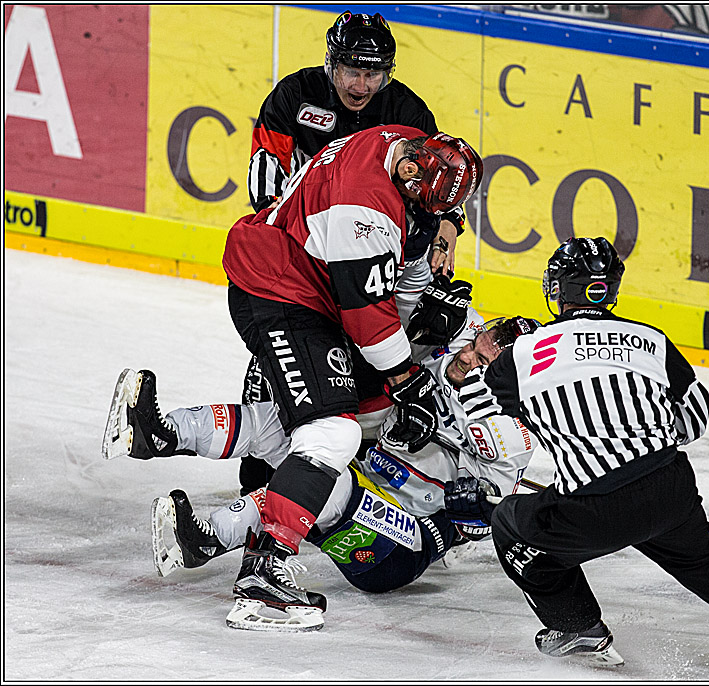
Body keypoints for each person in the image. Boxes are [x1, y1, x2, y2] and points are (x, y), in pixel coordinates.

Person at [445, 237, 709, 670]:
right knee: (703, 558)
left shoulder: (519, 356)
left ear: (558, 290)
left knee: (509, 523)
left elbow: (498, 432)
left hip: (593, 507)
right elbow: (694, 419)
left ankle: (577, 628)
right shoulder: (651, 340)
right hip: (669, 485)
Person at [104, 308, 539, 631]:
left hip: (404, 543)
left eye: (482, 361)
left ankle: (212, 540)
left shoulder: (507, 429)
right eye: (477, 343)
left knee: (319, 487)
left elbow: (496, 516)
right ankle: (161, 436)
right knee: (287, 429)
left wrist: (472, 508)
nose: (469, 356)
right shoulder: (446, 346)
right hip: (366, 479)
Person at [207, 124, 482, 630]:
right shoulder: (365, 209)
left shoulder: (399, 140)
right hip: (279, 290)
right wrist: (409, 379)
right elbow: (368, 323)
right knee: (332, 432)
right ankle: (263, 580)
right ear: (408, 168)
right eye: (425, 201)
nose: (428, 214)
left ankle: (179, 450)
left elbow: (402, 278)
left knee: (333, 425)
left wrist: (415, 302)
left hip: (294, 282)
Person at [240, 11, 470, 494]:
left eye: (373, 74)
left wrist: (445, 232)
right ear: (332, 65)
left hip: (370, 253)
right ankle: (261, 482)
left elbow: (439, 184)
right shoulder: (294, 96)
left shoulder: (408, 112)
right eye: (352, 71)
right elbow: (266, 190)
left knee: (369, 355)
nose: (362, 85)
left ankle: (348, 481)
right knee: (284, 363)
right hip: (303, 257)